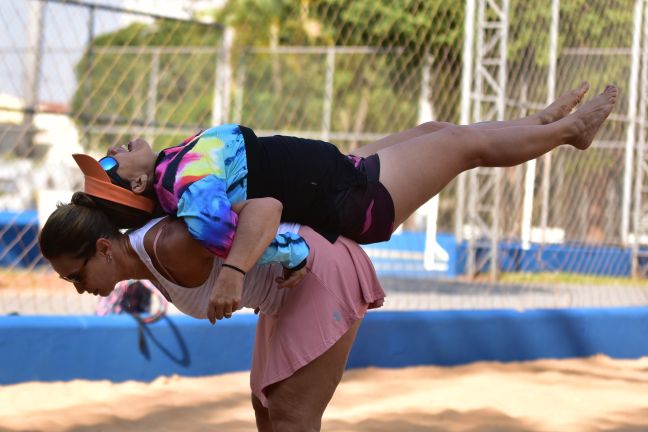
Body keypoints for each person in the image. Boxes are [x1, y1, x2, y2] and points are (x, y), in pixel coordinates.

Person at [77, 82, 618, 323]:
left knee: (439, 130)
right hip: (350, 198)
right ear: (138, 187)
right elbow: (235, 231)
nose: (113, 149)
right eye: (109, 164)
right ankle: (569, 132)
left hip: (338, 170)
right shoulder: (186, 192)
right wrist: (261, 264)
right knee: (462, 146)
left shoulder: (174, 165)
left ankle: (537, 124)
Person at [38, 191, 385, 432]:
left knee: (292, 421)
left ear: (103, 248)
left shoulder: (168, 245)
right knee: (266, 411)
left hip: (318, 271)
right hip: (283, 294)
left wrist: (234, 274)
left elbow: (265, 208)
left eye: (75, 275)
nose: (79, 287)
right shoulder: (148, 256)